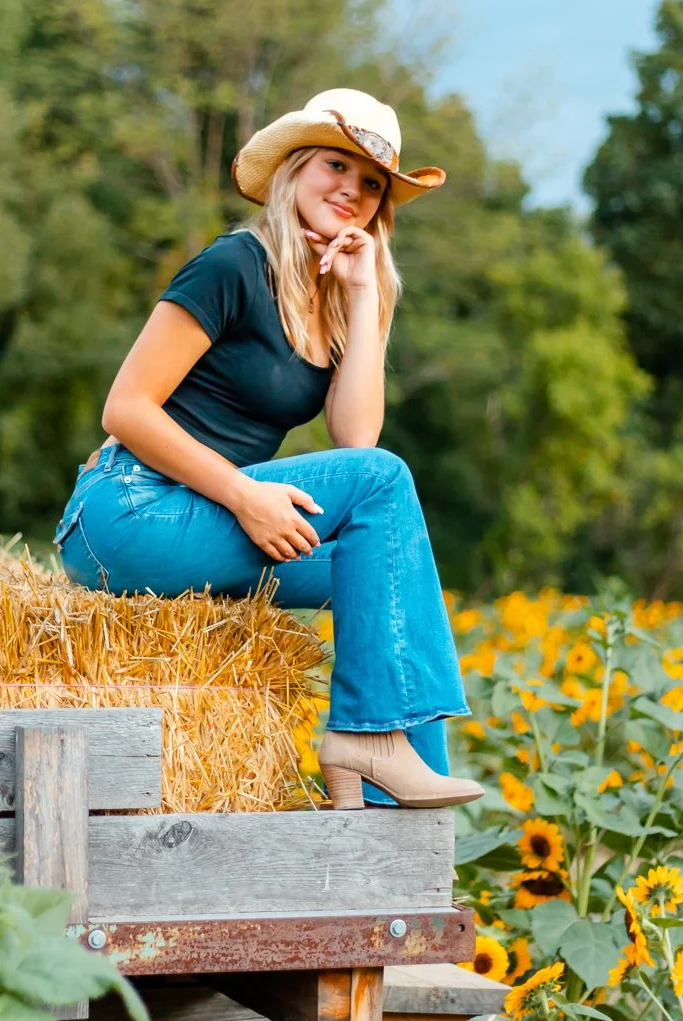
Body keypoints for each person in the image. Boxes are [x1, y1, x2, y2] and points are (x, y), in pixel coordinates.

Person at [53, 89, 483, 812]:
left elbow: (355, 437)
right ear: (292, 170)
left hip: (199, 520)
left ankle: (398, 812)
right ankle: (368, 741)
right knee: (383, 485)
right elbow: (124, 409)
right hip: (126, 510)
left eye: (372, 183)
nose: (352, 189)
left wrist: (366, 298)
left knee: (383, 560)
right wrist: (244, 494)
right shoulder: (232, 266)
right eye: (334, 165)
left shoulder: (331, 300)